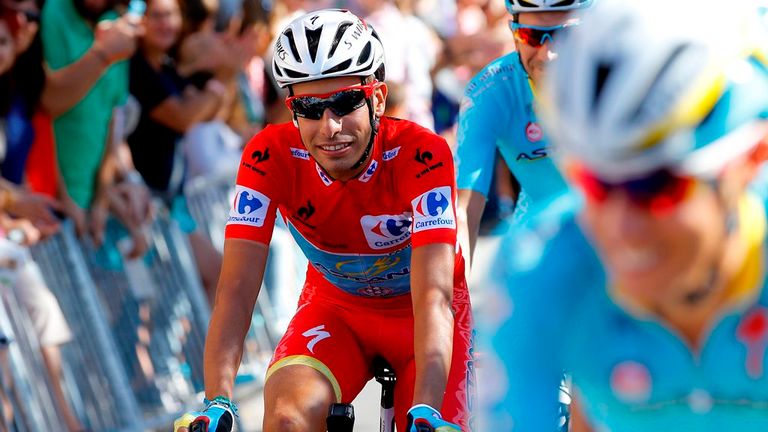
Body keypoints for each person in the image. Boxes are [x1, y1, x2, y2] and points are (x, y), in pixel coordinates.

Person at [174, 8, 473, 432]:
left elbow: (434, 297)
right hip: (337, 310)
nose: (329, 126)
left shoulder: (421, 155)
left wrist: (425, 410)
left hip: (421, 317)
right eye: (310, 108)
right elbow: (237, 288)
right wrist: (217, 399)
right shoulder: (267, 156)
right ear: (292, 111)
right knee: (286, 419)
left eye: (346, 102)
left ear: (378, 99)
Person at [483, 0, 768, 430]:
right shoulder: (539, 265)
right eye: (595, 184)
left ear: (748, 162)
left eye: (653, 187)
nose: (621, 227)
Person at [454, 0, 592, 271]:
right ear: (514, 34)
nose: (548, 54)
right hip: (542, 240)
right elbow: (464, 210)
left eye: (565, 35)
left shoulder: (621, 75)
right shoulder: (489, 92)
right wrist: (450, 301)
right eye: (532, 36)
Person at [40, 0, 151, 258]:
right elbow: (46, 107)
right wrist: (63, 198)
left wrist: (102, 199)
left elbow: (113, 121)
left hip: (85, 210)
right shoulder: (54, 10)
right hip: (48, 204)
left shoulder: (118, 24)